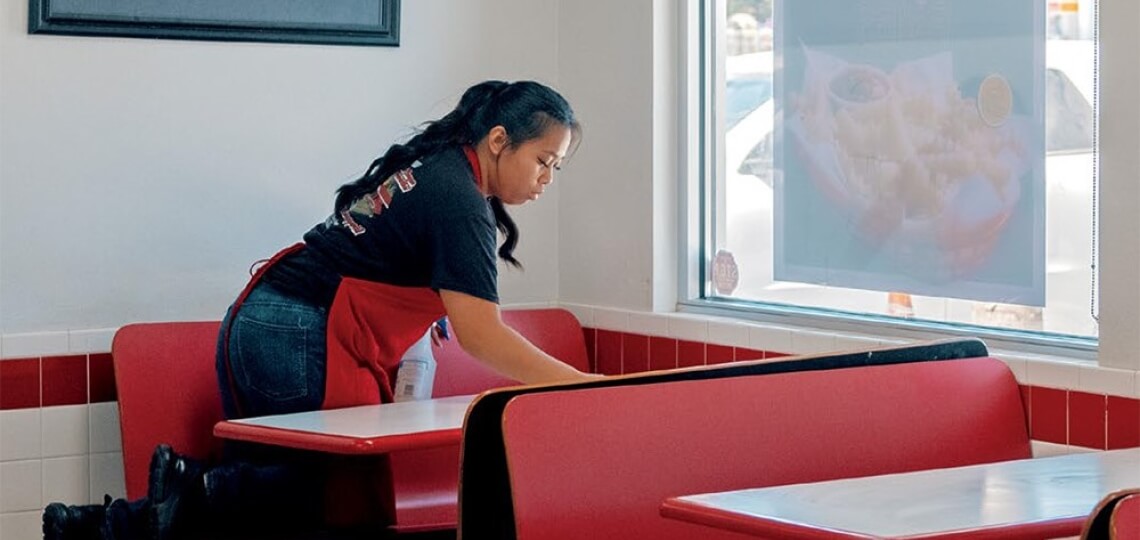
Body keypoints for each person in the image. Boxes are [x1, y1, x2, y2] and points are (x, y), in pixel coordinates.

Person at [42, 79, 597, 540]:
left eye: (557, 167)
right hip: (300, 331)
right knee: (337, 497)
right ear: (499, 140)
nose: (547, 179)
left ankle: (99, 524)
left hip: (262, 320)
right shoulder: (460, 200)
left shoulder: (437, 170)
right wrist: (581, 386)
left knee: (283, 500)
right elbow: (484, 337)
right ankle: (191, 487)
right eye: (543, 160)